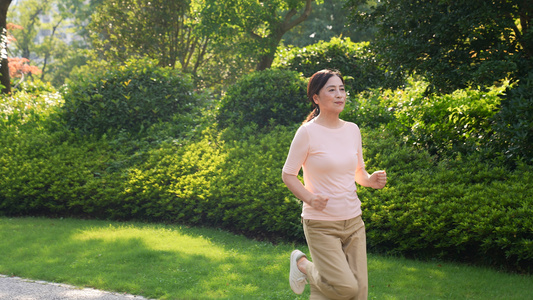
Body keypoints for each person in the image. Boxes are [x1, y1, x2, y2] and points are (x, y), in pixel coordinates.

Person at [282, 69, 387, 299]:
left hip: (353, 221)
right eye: (332, 89)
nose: (339, 94)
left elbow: (358, 172)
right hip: (321, 224)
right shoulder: (307, 133)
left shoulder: (352, 130)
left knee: (359, 294)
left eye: (342, 89)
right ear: (316, 98)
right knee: (347, 288)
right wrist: (309, 198)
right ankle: (302, 265)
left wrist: (370, 181)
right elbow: (288, 174)